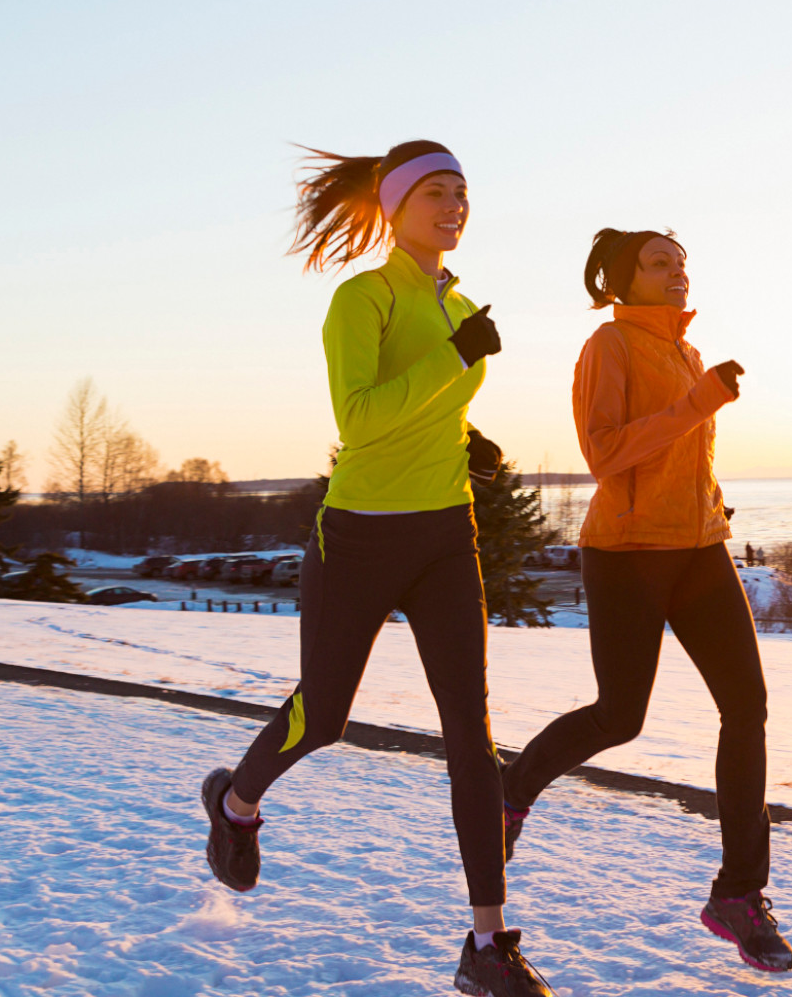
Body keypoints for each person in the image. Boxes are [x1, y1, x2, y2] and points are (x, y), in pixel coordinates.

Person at [197, 140, 554, 997]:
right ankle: (236, 804)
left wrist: (473, 439)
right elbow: (359, 422)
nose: (455, 205)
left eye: (463, 192)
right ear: (393, 207)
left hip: (444, 537)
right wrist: (457, 358)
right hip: (357, 536)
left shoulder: (455, 301)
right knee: (324, 717)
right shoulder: (363, 298)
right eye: (437, 191)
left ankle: (487, 944)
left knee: (471, 736)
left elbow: (430, 408)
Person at [502, 229, 792, 972]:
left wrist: (713, 505)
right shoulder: (611, 346)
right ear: (621, 278)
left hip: (700, 550)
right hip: (627, 555)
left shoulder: (687, 351)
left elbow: (684, 457)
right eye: (660, 262)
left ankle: (738, 894)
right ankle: (514, 787)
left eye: (683, 262)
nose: (678, 273)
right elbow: (604, 454)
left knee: (747, 709)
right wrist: (698, 404)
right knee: (620, 717)